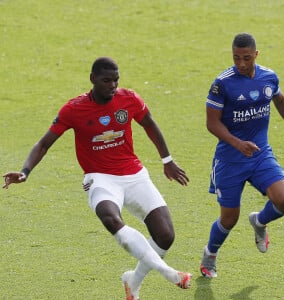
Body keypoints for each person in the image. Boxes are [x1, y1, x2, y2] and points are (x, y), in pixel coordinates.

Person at [3, 57, 192, 299]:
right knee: (111, 218)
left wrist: (167, 161)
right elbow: (43, 143)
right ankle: (168, 273)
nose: (112, 85)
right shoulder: (74, 109)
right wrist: (25, 172)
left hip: (134, 175)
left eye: (116, 80)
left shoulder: (129, 99)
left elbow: (150, 125)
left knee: (166, 235)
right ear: (92, 79)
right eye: (106, 81)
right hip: (100, 178)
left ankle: (133, 280)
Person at [200, 33, 284, 278]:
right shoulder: (222, 83)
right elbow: (212, 123)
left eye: (246, 58)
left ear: (256, 54)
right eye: (236, 58)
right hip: (230, 159)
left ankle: (259, 221)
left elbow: (280, 99)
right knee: (229, 219)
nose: (241, 63)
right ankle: (210, 256)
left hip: (260, 154)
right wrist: (237, 143)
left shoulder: (269, 77)